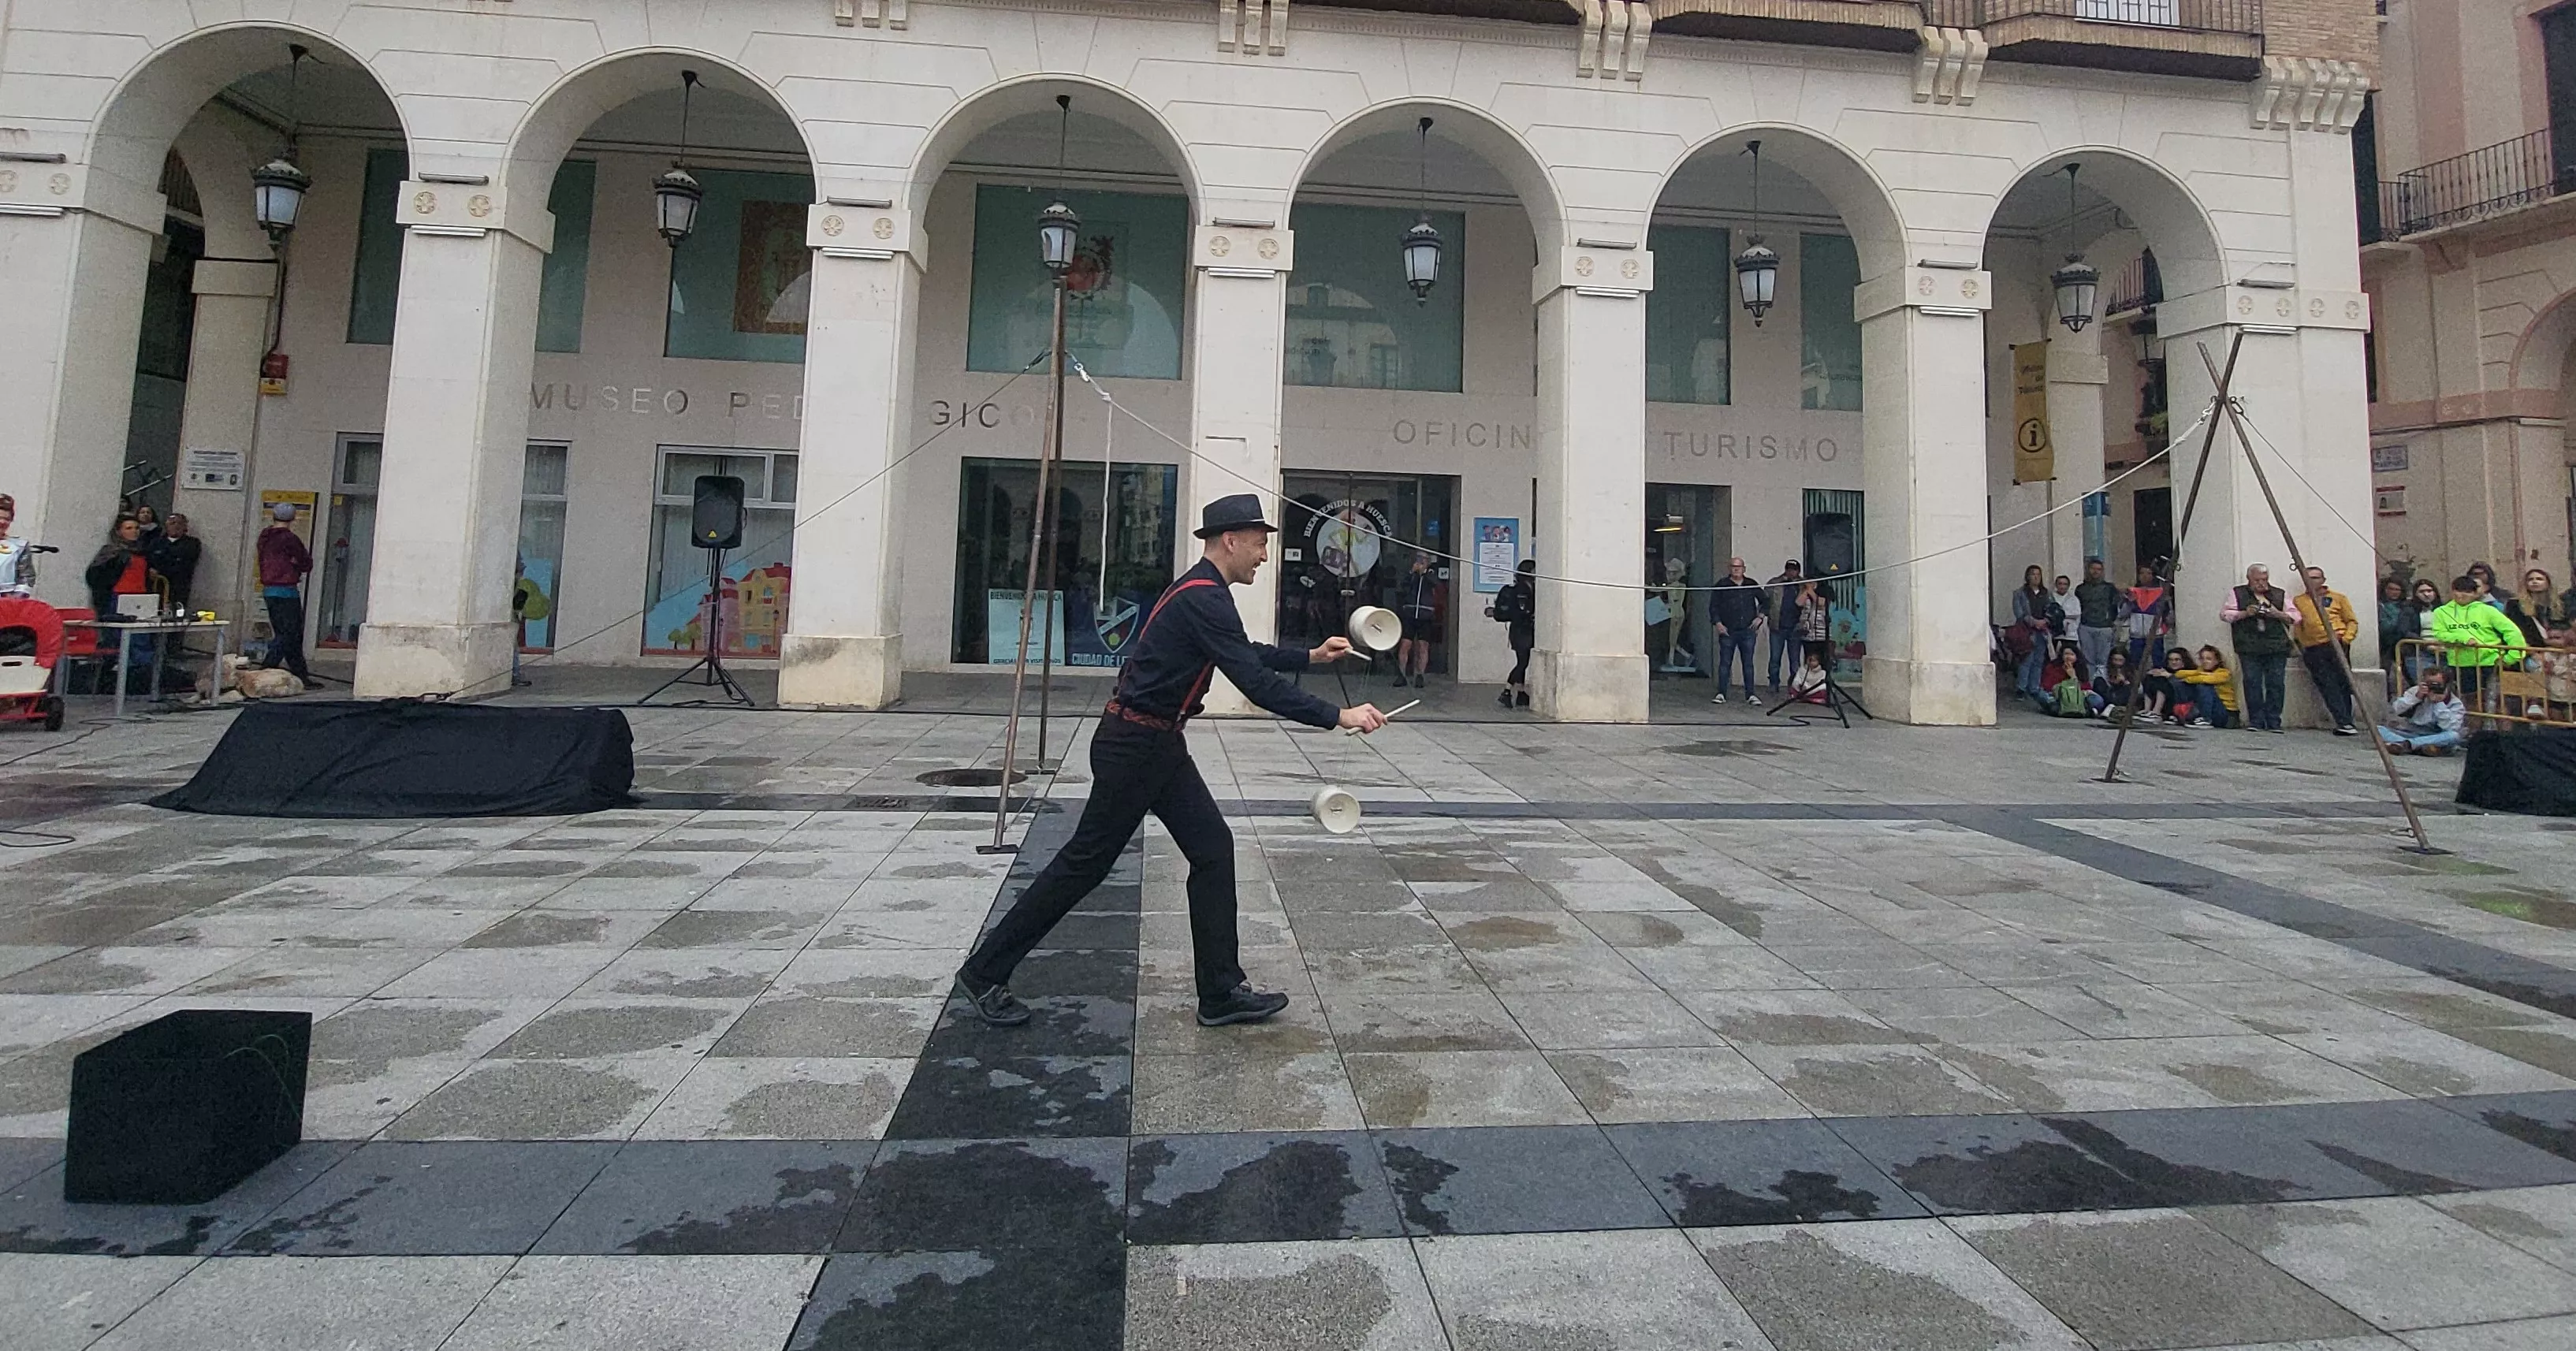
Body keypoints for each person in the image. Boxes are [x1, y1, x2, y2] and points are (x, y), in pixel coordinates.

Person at [956, 494, 1389, 1029]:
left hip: (1156, 744)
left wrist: (1310, 656)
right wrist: (1338, 716)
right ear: (1230, 540)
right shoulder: (1204, 597)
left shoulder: (1203, 591)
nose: (1263, 556)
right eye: (1259, 545)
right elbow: (1255, 682)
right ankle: (984, 972)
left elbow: (1241, 652)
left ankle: (1221, 993)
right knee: (1083, 865)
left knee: (1212, 850)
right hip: (1136, 746)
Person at [2424, 574, 2525, 711]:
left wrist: (2511, 657)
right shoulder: (2441, 612)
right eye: (2458, 590)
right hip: (2460, 664)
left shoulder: (2488, 610)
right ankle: (2474, 725)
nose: (2461, 595)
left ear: (2475, 593)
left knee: (2495, 701)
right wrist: (2463, 639)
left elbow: (2512, 631)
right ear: (2452, 591)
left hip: (2490, 662)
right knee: (2469, 701)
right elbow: (2440, 634)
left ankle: (2495, 725)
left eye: (2467, 592)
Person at [2222, 562, 2295, 731]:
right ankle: (2256, 720)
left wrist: (2278, 614)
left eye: (2264, 579)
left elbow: (2295, 616)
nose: (2261, 583)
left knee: (2276, 683)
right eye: (2257, 580)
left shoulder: (2279, 594)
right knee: (2252, 682)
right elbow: (2225, 614)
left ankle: (2274, 721)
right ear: (2249, 579)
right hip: (2248, 645)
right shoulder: (2237, 593)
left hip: (2276, 645)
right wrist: (2244, 613)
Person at [2291, 564, 2362, 735]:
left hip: (2337, 644)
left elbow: (2351, 621)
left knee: (2343, 682)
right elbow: (2298, 625)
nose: (2312, 581)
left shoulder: (2338, 598)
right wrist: (2303, 644)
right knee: (2327, 684)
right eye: (2308, 577)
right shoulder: (2299, 601)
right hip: (2314, 648)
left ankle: (2347, 720)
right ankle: (2342, 721)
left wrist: (2346, 639)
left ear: (2323, 580)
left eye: (2316, 577)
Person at [257, 501, 318, 686]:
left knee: (285, 633)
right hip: (287, 591)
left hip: (269, 591)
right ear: (293, 518)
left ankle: (300, 675)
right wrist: (296, 565)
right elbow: (306, 563)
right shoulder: (290, 539)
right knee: (290, 634)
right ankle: (265, 670)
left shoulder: (264, 537)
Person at [1707, 555, 1763, 704]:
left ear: (1744, 569)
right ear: (1729, 568)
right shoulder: (1722, 585)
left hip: (1747, 630)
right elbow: (1713, 606)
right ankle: (1721, 693)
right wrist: (1718, 623)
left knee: (1748, 663)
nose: (1736, 569)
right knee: (1725, 663)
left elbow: (1765, 601)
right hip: (1728, 630)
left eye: (1739, 567)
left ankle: (1750, 694)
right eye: (1733, 566)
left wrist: (1760, 617)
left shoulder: (1751, 584)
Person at [2378, 668, 2466, 755]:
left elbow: (2451, 728)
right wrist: (2416, 698)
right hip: (2411, 732)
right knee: (2378, 729)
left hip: (2435, 736)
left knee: (2453, 736)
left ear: (2446, 686)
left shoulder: (2455, 704)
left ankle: (2406, 745)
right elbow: (2396, 709)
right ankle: (2416, 747)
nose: (2432, 688)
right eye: (2429, 684)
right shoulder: (2415, 691)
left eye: (2437, 685)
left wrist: (2439, 703)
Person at [84, 515, 157, 617]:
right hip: (118, 596)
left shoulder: (144, 551)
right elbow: (95, 575)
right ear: (119, 531)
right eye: (129, 528)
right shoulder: (111, 551)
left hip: (141, 596)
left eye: (137, 528)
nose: (134, 531)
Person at [1489, 557, 1535, 709]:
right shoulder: (1523, 589)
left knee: (1522, 661)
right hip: (1522, 630)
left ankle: (1521, 693)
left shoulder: (1528, 587)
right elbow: (1523, 610)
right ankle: (1507, 691)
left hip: (1520, 630)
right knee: (1522, 663)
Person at [1390, 550, 1438, 690]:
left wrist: (1424, 573)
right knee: (1405, 644)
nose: (1420, 562)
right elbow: (1403, 587)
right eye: (1419, 559)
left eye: (1424, 560)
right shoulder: (1410, 575)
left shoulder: (1431, 574)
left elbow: (1434, 584)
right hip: (1410, 613)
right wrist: (1413, 573)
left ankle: (1420, 675)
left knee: (1423, 645)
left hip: (1425, 614)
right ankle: (1402, 674)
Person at [2009, 565, 2057, 698]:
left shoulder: (2046, 593)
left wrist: (2046, 621)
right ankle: (2021, 687)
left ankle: (2034, 687)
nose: (2036, 577)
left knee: (2039, 660)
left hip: (2043, 631)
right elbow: (2019, 613)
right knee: (2026, 659)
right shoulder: (2019, 593)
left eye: (2038, 574)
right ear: (2028, 576)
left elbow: (2053, 610)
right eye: (2033, 574)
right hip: (2026, 631)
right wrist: (2033, 622)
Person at [2173, 645, 2240, 728]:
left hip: (2226, 713)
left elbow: (2206, 679)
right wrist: (2200, 673)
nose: (2205, 661)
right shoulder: (2200, 670)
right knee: (2180, 684)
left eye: (2209, 659)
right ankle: (2181, 713)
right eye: (2202, 659)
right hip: (2210, 709)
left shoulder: (2224, 673)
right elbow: (2179, 674)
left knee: (2204, 686)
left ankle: (2205, 719)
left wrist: (2190, 679)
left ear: (2217, 661)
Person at [2073, 558, 2119, 674]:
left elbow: (2115, 606)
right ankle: (2091, 682)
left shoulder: (2110, 588)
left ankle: (2101, 681)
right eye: (2093, 569)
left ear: (2102, 571)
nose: (2095, 571)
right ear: (2088, 570)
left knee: (2103, 660)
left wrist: (2110, 621)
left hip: (2104, 627)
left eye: (2099, 569)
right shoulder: (2080, 589)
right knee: (2088, 660)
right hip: (2086, 626)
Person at [2505, 567, 2568, 650]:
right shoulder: (2515, 604)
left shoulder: (2559, 604)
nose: (2534, 582)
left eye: (2539, 579)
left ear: (2548, 583)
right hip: (2532, 648)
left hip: (2559, 648)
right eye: (2530, 580)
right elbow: (2518, 629)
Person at [1763, 559, 1803, 692]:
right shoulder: (1775, 583)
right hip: (1777, 626)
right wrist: (1765, 615)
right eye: (1789, 569)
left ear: (1798, 571)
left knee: (1795, 660)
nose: (1791, 572)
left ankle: (1794, 686)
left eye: (1794, 570)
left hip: (1796, 627)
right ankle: (1774, 683)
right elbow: (1765, 601)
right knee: (1775, 658)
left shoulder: (1803, 584)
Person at [151, 512, 202, 613]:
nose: (176, 526)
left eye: (180, 523)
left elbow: (187, 562)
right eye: (172, 523)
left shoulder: (192, 543)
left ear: (185, 526)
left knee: (178, 611)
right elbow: (152, 561)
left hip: (180, 585)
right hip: (159, 585)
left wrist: (164, 566)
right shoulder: (156, 543)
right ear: (166, 526)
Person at [2123, 563, 2172, 668]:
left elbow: (2169, 614)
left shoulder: (2161, 593)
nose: (2145, 576)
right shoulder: (2131, 592)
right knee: (2135, 664)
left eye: (2149, 573)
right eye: (2142, 573)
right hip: (2136, 635)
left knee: (2157, 663)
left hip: (2155, 635)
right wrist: (2130, 602)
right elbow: (2122, 614)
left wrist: (2164, 629)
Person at [2377, 577, 2414, 696]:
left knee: (2409, 672)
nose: (2394, 592)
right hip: (2385, 643)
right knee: (2385, 669)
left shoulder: (2407, 606)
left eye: (2397, 590)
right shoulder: (2380, 606)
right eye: (2391, 589)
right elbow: (2385, 627)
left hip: (2403, 643)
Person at [2403, 578, 2442, 687]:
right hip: (2419, 652)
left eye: (2429, 591)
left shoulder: (2444, 609)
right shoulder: (2409, 610)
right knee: (2426, 685)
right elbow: (2405, 631)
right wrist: (2425, 644)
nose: (2426, 594)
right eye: (2422, 591)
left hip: (2443, 651)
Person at [1795, 577, 1834, 672]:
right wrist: (1805, 591)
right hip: (1808, 632)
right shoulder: (1805, 591)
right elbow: (1799, 603)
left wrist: (1811, 591)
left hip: (1821, 632)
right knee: (1809, 658)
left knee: (1821, 658)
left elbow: (1821, 603)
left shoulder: (1824, 590)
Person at [0, 493, 35, 598]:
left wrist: (16, 599)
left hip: (6, 600)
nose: (2, 522)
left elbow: (26, 578)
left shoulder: (19, 546)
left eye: (7, 519)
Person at [2089, 649, 2138, 720]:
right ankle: (2106, 707)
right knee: (2099, 681)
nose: (2117, 663)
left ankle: (2110, 708)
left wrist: (2125, 682)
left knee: (2129, 689)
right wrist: (2111, 682)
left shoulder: (2131, 671)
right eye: (2115, 660)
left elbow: (2139, 690)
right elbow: (2095, 683)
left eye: (2120, 660)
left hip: (2121, 696)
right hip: (2107, 694)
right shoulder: (2104, 669)